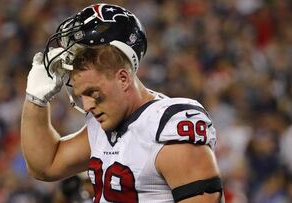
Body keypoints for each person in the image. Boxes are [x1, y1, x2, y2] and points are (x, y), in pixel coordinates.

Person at [21, 3, 224, 203]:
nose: (87, 105)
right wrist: (35, 99)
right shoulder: (104, 125)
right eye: (82, 95)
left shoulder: (167, 124)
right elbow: (45, 165)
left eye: (93, 92)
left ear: (123, 79)